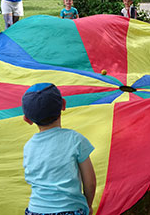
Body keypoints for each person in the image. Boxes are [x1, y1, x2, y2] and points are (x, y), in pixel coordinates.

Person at [22, 83, 96, 215]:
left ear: (27, 119)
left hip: (35, 210)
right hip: (69, 210)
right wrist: (88, 205)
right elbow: (90, 182)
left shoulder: (28, 147)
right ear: (63, 104)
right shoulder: (76, 140)